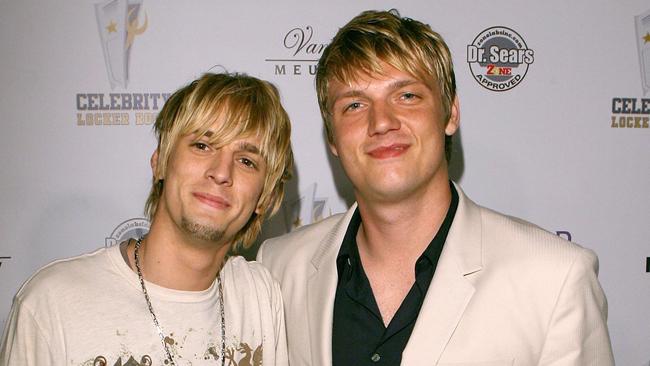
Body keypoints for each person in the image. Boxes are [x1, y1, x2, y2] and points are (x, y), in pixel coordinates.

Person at [257, 9, 614, 366]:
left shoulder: (554, 278)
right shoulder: (279, 268)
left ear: (450, 114)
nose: (381, 121)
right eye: (354, 104)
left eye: (407, 96)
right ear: (332, 137)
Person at [1, 73, 292, 366]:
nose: (221, 172)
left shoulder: (260, 297)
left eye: (247, 161)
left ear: (265, 198)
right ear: (160, 161)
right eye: (202, 145)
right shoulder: (51, 304)